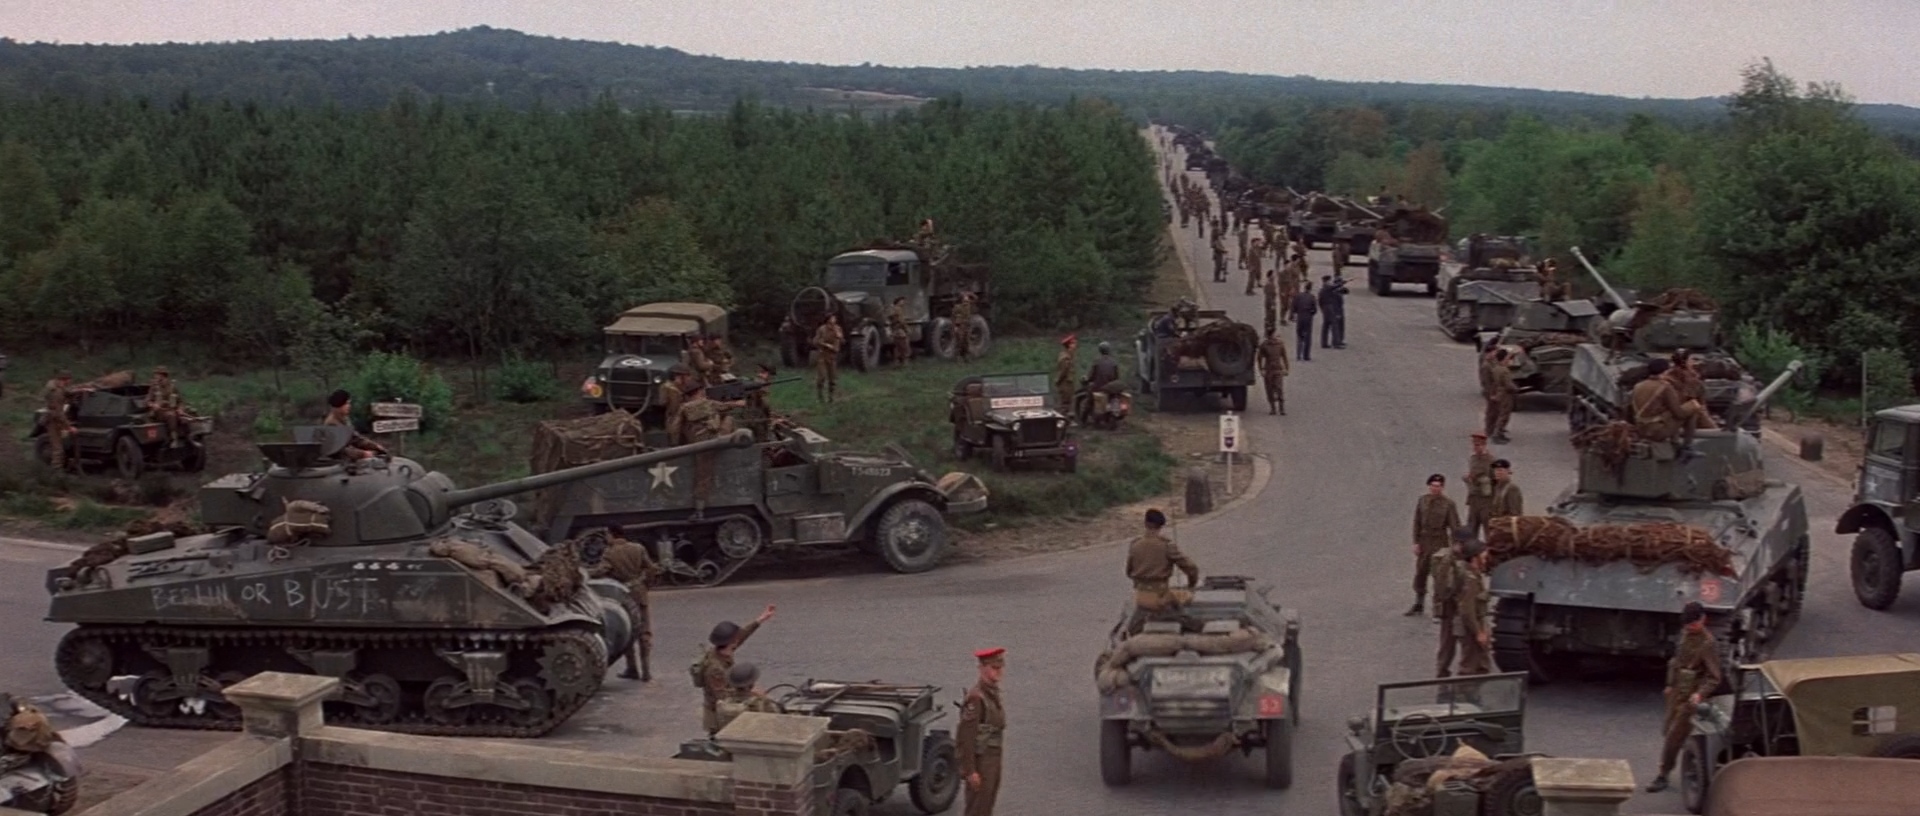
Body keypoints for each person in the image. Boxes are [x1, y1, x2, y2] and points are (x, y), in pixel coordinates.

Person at [1647, 602, 1723, 792]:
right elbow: (1675, 661)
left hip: (1691, 697)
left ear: (1703, 620)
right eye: (1687, 625)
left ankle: (1663, 774)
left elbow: (1714, 677)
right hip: (1677, 692)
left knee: (1674, 735)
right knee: (1668, 730)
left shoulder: (1708, 644)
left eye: (1693, 624)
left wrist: (1699, 694)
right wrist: (1669, 683)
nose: (1690, 628)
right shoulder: (1685, 635)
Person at [578, 529, 660, 680]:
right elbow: (651, 568)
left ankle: (632, 668)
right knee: (644, 631)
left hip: (622, 595)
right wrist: (645, 584)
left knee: (628, 631)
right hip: (640, 593)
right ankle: (646, 671)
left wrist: (583, 573)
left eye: (607, 535)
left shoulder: (610, 552)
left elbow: (601, 570)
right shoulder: (638, 548)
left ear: (612, 535)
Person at [695, 604, 777, 736]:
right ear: (730, 642)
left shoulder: (723, 650)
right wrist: (749, 692)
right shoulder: (715, 669)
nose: (737, 641)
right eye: (735, 639)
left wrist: (760, 619)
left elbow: (742, 635)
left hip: (729, 706)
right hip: (718, 714)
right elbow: (721, 697)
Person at [1126, 508, 1199, 629]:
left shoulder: (1135, 545)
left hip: (1141, 597)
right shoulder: (1166, 545)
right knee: (1188, 616)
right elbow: (1191, 568)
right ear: (1161, 526)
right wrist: (1192, 584)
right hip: (1161, 598)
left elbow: (1129, 571)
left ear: (1145, 523)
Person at [957, 647, 1007, 816]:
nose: (999, 671)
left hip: (992, 759)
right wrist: (970, 770)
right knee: (977, 808)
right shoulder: (976, 698)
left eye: (1000, 667)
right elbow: (966, 736)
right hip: (982, 761)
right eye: (994, 667)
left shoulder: (991, 693)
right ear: (982, 668)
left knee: (986, 806)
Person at [677, 378, 733, 519]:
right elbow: (728, 407)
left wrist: (679, 444)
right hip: (715, 440)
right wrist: (739, 402)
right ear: (700, 391)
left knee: (703, 475)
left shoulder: (684, 408)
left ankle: (699, 509)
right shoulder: (709, 403)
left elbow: (675, 429)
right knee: (729, 419)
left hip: (697, 443)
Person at [1408, 474, 1462, 617]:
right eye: (1433, 486)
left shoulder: (1448, 504)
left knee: (1440, 576)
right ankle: (1419, 603)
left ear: (1442, 487)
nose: (1435, 488)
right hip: (1424, 542)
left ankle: (1439, 608)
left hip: (1439, 542)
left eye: (1438, 486)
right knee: (1420, 573)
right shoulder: (1422, 501)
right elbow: (1417, 522)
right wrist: (1415, 542)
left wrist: (1456, 544)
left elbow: (1454, 525)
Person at [1630, 358, 1717, 447]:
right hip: (1657, 431)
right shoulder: (1665, 387)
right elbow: (1679, 414)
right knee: (1692, 409)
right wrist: (1692, 406)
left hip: (1641, 429)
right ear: (1665, 371)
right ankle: (1687, 447)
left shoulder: (1638, 386)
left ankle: (1675, 442)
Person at [1449, 534, 1494, 676]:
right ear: (1475, 559)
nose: (1485, 560)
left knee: (1481, 664)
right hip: (1470, 629)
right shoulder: (1470, 579)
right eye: (1483, 557)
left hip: (1475, 625)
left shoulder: (1474, 574)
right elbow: (1467, 611)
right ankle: (1465, 690)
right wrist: (1478, 632)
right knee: (1468, 667)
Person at [1431, 528, 1468, 676]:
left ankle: (1446, 669)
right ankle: (1444, 670)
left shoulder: (1456, 558)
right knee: (1451, 640)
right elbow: (1446, 588)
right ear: (1458, 543)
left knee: (1452, 640)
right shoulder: (1448, 561)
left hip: (1456, 604)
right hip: (1451, 606)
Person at [713, 662, 784, 732]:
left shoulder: (723, 703)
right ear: (752, 684)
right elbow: (777, 716)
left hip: (730, 737)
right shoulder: (758, 703)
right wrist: (764, 697)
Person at [322, 390, 388, 461]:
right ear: (339, 405)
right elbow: (340, 450)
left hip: (348, 458)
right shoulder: (331, 424)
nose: (349, 406)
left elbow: (356, 438)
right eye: (346, 403)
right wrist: (363, 454)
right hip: (337, 461)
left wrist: (375, 446)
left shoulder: (345, 419)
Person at [39, 371, 78, 471]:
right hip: (53, 420)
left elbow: (66, 392)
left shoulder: (57, 387)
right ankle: (56, 472)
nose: (70, 381)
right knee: (58, 449)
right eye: (69, 379)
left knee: (59, 446)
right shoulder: (57, 393)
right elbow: (58, 413)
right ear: (65, 380)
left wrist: (78, 391)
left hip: (55, 418)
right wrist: (69, 427)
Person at [1463, 433, 1497, 537]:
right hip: (1474, 499)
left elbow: (1495, 480)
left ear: (1484, 445)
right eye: (1474, 445)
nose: (1476, 447)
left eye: (1478, 445)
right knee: (1471, 529)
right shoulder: (1473, 459)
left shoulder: (1490, 460)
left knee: (1488, 530)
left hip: (1486, 500)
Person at [1483, 349, 1518, 443]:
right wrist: (1516, 389)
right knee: (1504, 415)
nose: (1509, 360)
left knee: (1499, 413)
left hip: (1499, 393)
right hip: (1505, 394)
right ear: (1504, 358)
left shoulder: (1496, 368)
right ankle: (1497, 434)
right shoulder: (1504, 370)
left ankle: (1496, 432)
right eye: (1507, 358)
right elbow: (1508, 384)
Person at [147, 366, 186, 445]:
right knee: (170, 415)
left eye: (157, 375)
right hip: (160, 412)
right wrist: (153, 405)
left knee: (186, 417)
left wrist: (181, 409)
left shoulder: (173, 387)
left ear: (163, 376)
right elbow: (147, 401)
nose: (155, 377)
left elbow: (181, 401)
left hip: (173, 409)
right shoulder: (154, 387)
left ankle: (188, 437)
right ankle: (173, 438)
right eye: (155, 375)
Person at [1254, 329, 1289, 415]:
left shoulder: (1280, 344)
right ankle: (1273, 408)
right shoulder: (1264, 345)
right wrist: (1261, 369)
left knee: (1279, 388)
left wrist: (1286, 369)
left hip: (1278, 369)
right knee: (1269, 389)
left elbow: (1284, 357)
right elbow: (1259, 358)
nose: (1275, 336)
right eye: (1274, 334)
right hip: (1268, 369)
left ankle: (1281, 409)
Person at [811, 314, 844, 403]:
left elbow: (842, 341)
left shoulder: (838, 328)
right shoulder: (822, 329)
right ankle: (820, 396)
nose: (834, 320)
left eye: (835, 318)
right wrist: (826, 345)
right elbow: (815, 341)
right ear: (828, 320)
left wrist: (839, 336)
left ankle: (831, 397)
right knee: (821, 377)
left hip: (832, 356)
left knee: (832, 378)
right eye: (832, 318)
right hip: (822, 355)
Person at [1487, 459, 1524, 526]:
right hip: (1497, 527)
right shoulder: (1497, 488)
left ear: (1508, 471)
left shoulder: (1512, 489)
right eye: (1496, 470)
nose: (1497, 472)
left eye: (1500, 470)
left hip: (1507, 527)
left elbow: (1514, 514)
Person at [661, 365, 693, 440]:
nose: (689, 378)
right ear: (679, 377)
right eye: (687, 376)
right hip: (676, 420)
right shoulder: (672, 390)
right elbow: (674, 409)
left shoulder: (676, 387)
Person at [1289, 281, 1317, 362]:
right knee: (1307, 337)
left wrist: (1293, 315)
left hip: (1300, 316)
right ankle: (1306, 355)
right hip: (1308, 317)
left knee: (1299, 335)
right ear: (1310, 288)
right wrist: (1311, 313)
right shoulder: (1312, 297)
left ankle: (1298, 354)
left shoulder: (1298, 296)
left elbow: (1293, 306)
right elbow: (1314, 309)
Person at [1318, 274, 1348, 349]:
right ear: (1327, 281)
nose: (1330, 282)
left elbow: (1320, 302)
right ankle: (1336, 343)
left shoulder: (1322, 290)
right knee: (1334, 325)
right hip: (1330, 308)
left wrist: (1322, 309)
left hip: (1325, 309)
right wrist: (1343, 282)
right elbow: (1334, 287)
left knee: (1326, 326)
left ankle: (1324, 343)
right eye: (1329, 281)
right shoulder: (1327, 287)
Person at [1053, 335, 1078, 416]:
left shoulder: (1069, 355)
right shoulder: (1065, 357)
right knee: (1065, 404)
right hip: (1065, 384)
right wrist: (1058, 381)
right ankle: (1062, 419)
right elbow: (1063, 371)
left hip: (1068, 383)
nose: (1075, 345)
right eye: (1073, 343)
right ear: (1069, 345)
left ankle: (1064, 418)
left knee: (1067, 403)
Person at [952, 292, 978, 362]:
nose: (967, 300)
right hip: (960, 326)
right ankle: (958, 357)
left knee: (966, 342)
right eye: (965, 298)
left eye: (967, 299)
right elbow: (954, 317)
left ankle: (965, 356)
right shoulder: (957, 307)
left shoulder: (969, 306)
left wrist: (969, 293)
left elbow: (976, 298)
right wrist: (955, 327)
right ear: (961, 299)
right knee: (960, 342)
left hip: (967, 325)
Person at [888, 297, 912, 367]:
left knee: (897, 346)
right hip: (899, 329)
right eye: (902, 301)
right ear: (898, 302)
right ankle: (904, 361)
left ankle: (897, 362)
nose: (903, 303)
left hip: (895, 329)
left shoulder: (892, 309)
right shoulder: (898, 309)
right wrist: (907, 329)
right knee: (904, 345)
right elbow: (901, 321)